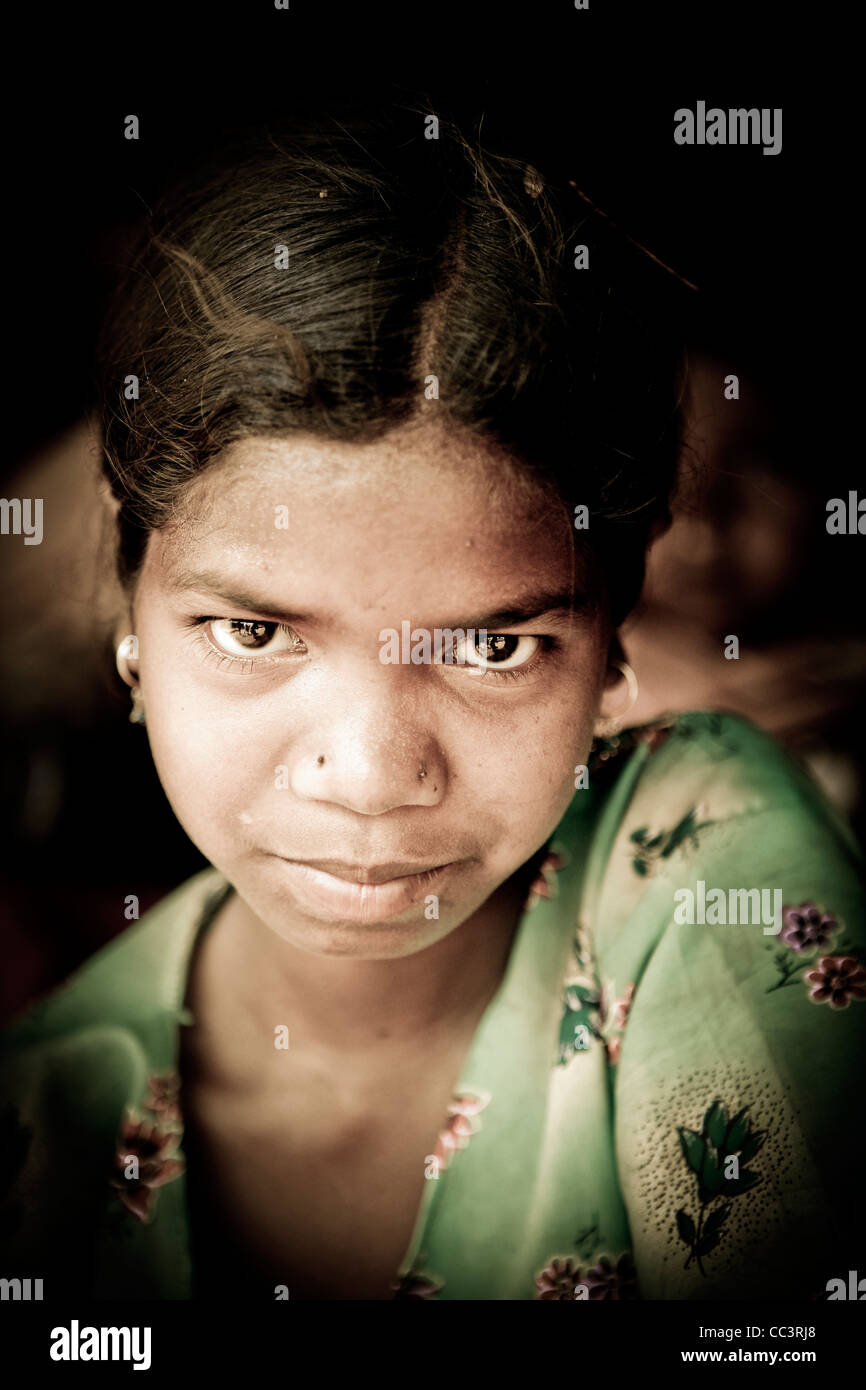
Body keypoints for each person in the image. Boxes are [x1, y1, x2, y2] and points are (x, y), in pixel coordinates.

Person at [1, 104, 863, 1302]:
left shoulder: (699, 851)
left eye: (495, 645)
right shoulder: (36, 1125)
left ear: (614, 641)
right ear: (130, 626)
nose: (366, 776)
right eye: (253, 631)